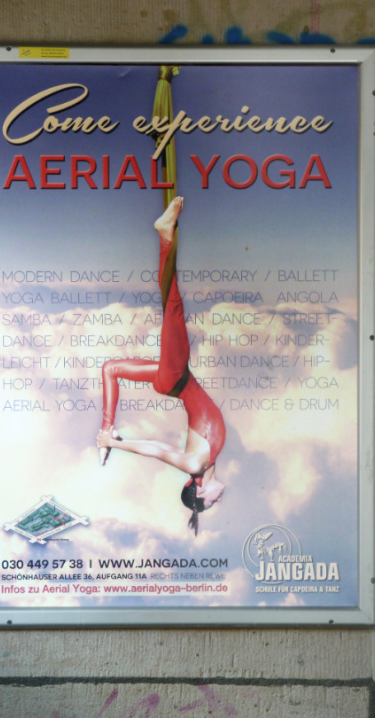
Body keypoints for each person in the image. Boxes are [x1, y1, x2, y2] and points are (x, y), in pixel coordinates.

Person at [96, 197, 226, 534]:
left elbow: (154, 450)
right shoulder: (207, 464)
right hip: (172, 379)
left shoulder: (195, 463)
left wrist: (116, 443)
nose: (216, 501)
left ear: (195, 489)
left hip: (175, 375)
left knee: (172, 302)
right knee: (111, 368)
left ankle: (164, 232)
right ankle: (105, 427)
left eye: (208, 502)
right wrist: (107, 435)